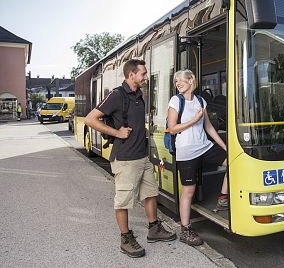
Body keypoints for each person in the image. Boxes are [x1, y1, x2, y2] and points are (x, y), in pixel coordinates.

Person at [84, 59, 175, 258]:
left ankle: (154, 229)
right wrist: (116, 133)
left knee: (151, 193)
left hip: (142, 156)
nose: (145, 77)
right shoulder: (117, 95)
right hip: (125, 159)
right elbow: (90, 119)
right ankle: (126, 238)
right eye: (142, 73)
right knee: (123, 201)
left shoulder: (138, 95)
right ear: (131, 74)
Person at [167, 69, 228, 247]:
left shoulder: (201, 101)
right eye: (175, 81)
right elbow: (172, 128)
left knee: (233, 163)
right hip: (186, 152)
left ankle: (222, 199)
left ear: (191, 80)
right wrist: (194, 120)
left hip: (205, 147)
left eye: (180, 80)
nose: (177, 83)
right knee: (189, 191)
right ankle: (185, 229)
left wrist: (225, 147)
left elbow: (208, 127)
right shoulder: (175, 101)